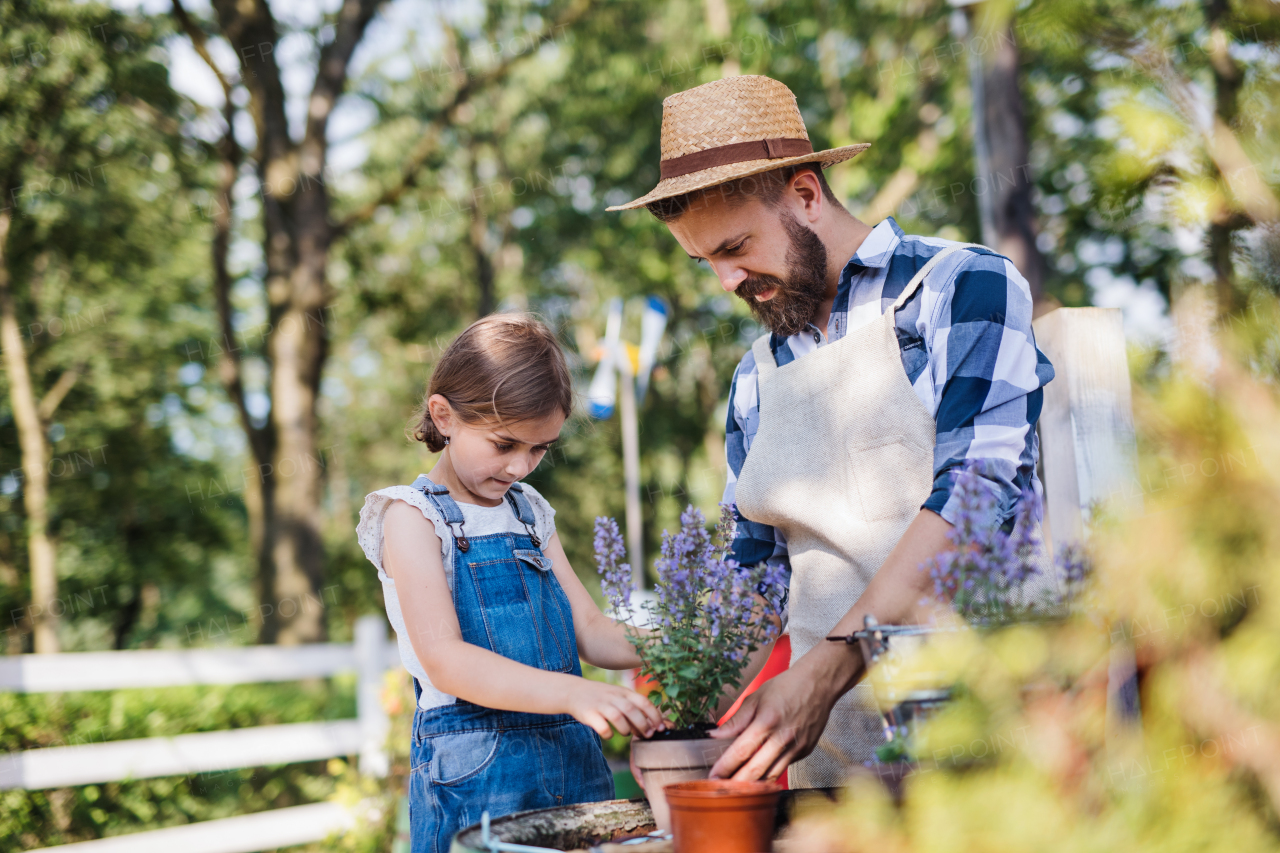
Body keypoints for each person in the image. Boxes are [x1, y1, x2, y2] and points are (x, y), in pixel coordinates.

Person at [607, 75, 1055, 787]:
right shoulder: (755, 378)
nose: (725, 281)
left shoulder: (959, 289)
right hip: (833, 773)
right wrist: (682, 713)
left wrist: (831, 666)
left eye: (735, 246)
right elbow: (757, 581)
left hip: (984, 750)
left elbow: (977, 495)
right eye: (706, 263)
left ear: (807, 196)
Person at [356, 314, 666, 853]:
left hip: (572, 759)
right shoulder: (412, 517)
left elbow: (589, 630)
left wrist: (673, 647)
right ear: (443, 415)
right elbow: (446, 659)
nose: (521, 466)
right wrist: (573, 692)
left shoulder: (530, 514)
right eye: (504, 444)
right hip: (476, 771)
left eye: (540, 448)